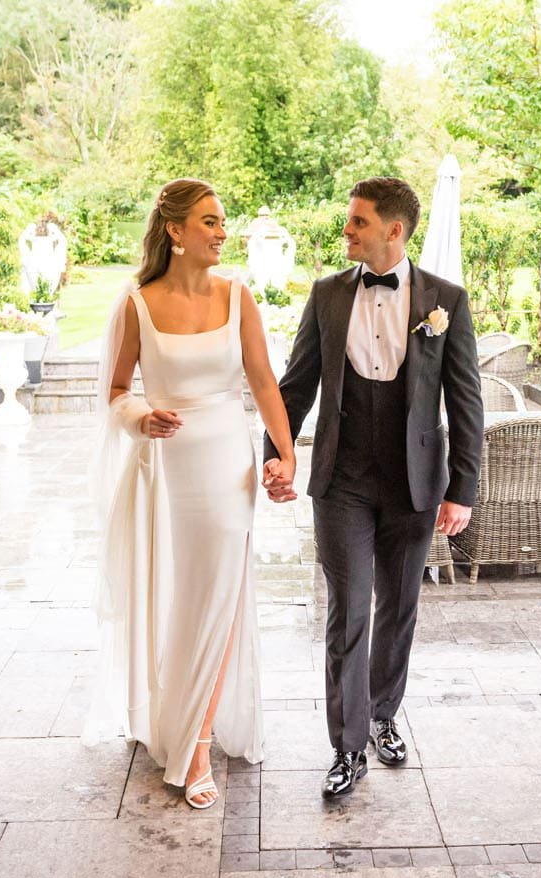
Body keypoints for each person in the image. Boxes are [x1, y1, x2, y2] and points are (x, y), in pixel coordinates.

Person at [265, 177, 483, 798]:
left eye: (358, 221)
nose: (347, 230)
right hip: (343, 478)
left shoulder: (446, 300)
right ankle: (347, 745)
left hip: (414, 480)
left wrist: (462, 487)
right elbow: (295, 386)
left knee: (399, 607)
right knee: (349, 609)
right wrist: (277, 455)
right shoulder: (327, 294)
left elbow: (466, 401)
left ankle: (384, 714)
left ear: (394, 229)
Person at [87, 178, 297, 809]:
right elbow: (117, 392)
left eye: (222, 221)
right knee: (180, 596)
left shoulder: (239, 296)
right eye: (210, 221)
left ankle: (199, 740)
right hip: (166, 469)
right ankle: (170, 713)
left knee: (221, 591)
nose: (222, 232)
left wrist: (285, 454)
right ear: (175, 230)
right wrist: (140, 418)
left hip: (229, 464)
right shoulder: (137, 305)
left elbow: (263, 381)